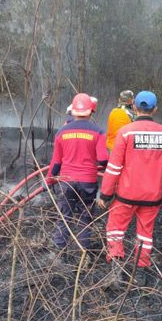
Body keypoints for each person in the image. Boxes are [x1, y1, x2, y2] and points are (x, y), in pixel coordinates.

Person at [97, 91, 162, 287]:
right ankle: (140, 274)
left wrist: (106, 193)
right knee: (145, 234)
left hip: (126, 195)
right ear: (155, 109)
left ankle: (116, 273)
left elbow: (114, 167)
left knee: (115, 230)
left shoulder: (126, 132)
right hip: (153, 196)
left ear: (134, 107)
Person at [47, 93, 109, 254]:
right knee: (84, 217)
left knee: (64, 217)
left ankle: (58, 252)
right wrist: (108, 167)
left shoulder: (61, 132)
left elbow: (56, 162)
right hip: (88, 182)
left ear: (72, 111)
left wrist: (49, 181)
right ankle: (83, 253)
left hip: (66, 181)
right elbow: (103, 159)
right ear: (91, 112)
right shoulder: (98, 132)